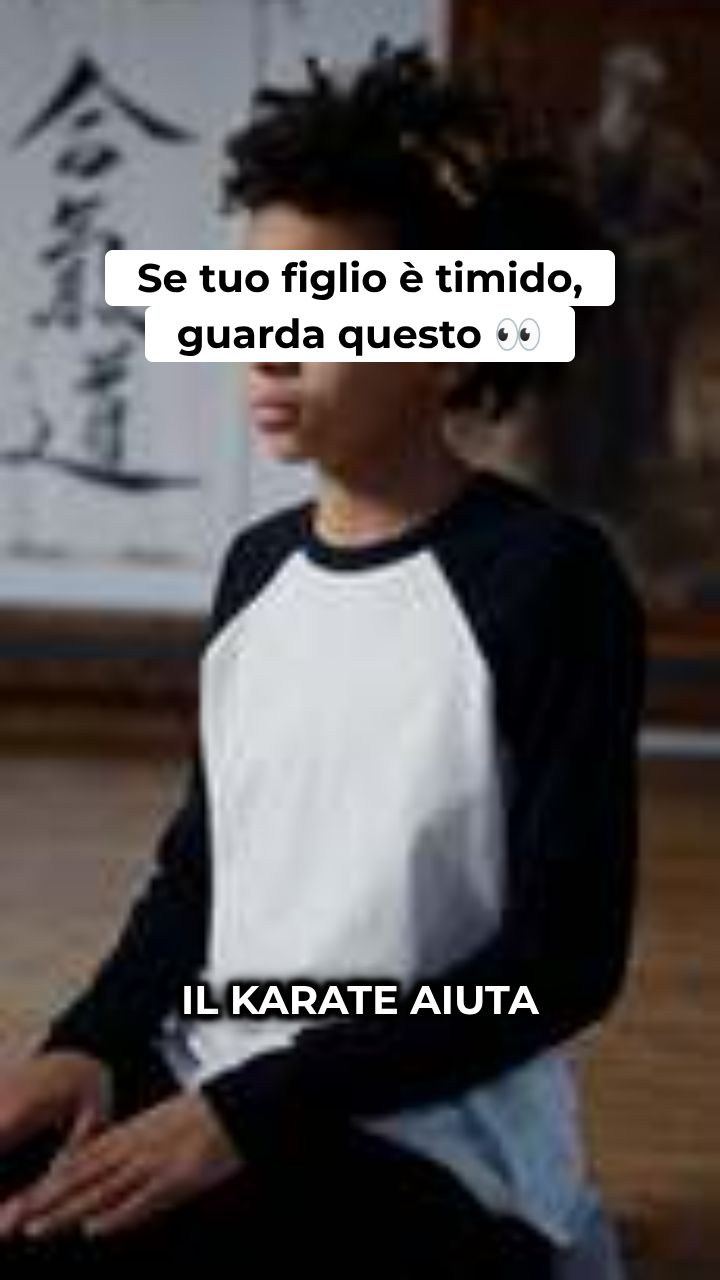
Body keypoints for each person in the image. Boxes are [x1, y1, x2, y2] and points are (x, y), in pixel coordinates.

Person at [0, 41, 647, 1277]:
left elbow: (560, 964)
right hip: (213, 1070)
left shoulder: (550, 581)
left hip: (431, 1129)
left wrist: (254, 1112)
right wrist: (88, 1039)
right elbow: (198, 877)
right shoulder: (255, 570)